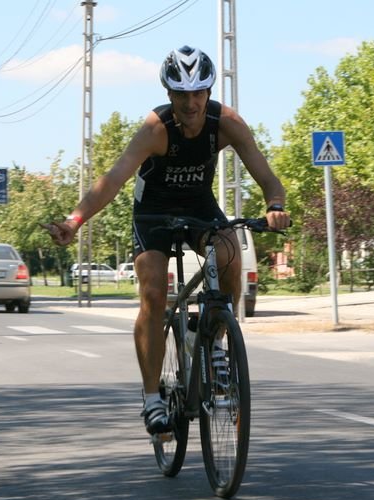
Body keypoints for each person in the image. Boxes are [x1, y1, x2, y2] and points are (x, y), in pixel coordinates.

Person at [43, 45, 290, 436]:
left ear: (208, 92)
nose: (190, 103)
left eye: (198, 93)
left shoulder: (226, 123)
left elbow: (267, 175)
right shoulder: (156, 130)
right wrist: (75, 221)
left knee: (229, 253)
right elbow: (111, 181)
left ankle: (215, 341)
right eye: (180, 94)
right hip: (153, 211)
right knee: (154, 294)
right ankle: (152, 397)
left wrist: (275, 204)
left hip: (199, 204)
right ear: (168, 94)